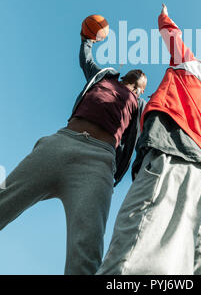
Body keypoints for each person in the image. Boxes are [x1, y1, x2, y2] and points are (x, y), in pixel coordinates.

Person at [96, 3, 201, 276]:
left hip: (171, 154)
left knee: (130, 259)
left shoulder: (195, 67)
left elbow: (169, 31)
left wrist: (163, 14)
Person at [0, 32, 147, 275]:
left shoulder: (140, 105)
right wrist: (87, 39)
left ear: (142, 92)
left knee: (86, 257)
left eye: (142, 85)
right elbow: (86, 60)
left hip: (98, 164)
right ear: (125, 74)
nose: (140, 79)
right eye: (138, 78)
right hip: (60, 144)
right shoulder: (103, 77)